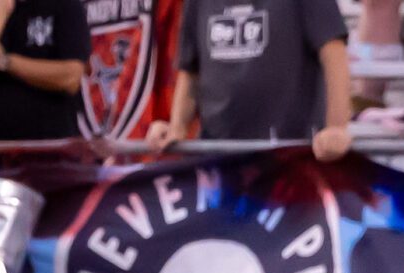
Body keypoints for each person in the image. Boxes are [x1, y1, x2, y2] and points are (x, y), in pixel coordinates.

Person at [144, 0, 353, 158]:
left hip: (290, 160)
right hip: (218, 158)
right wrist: (177, 128)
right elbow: (190, 71)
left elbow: (334, 55)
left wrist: (336, 128)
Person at [0, 0, 91, 141]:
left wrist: (5, 62)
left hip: (52, 149)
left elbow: (70, 78)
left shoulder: (65, 6)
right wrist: (1, 11)